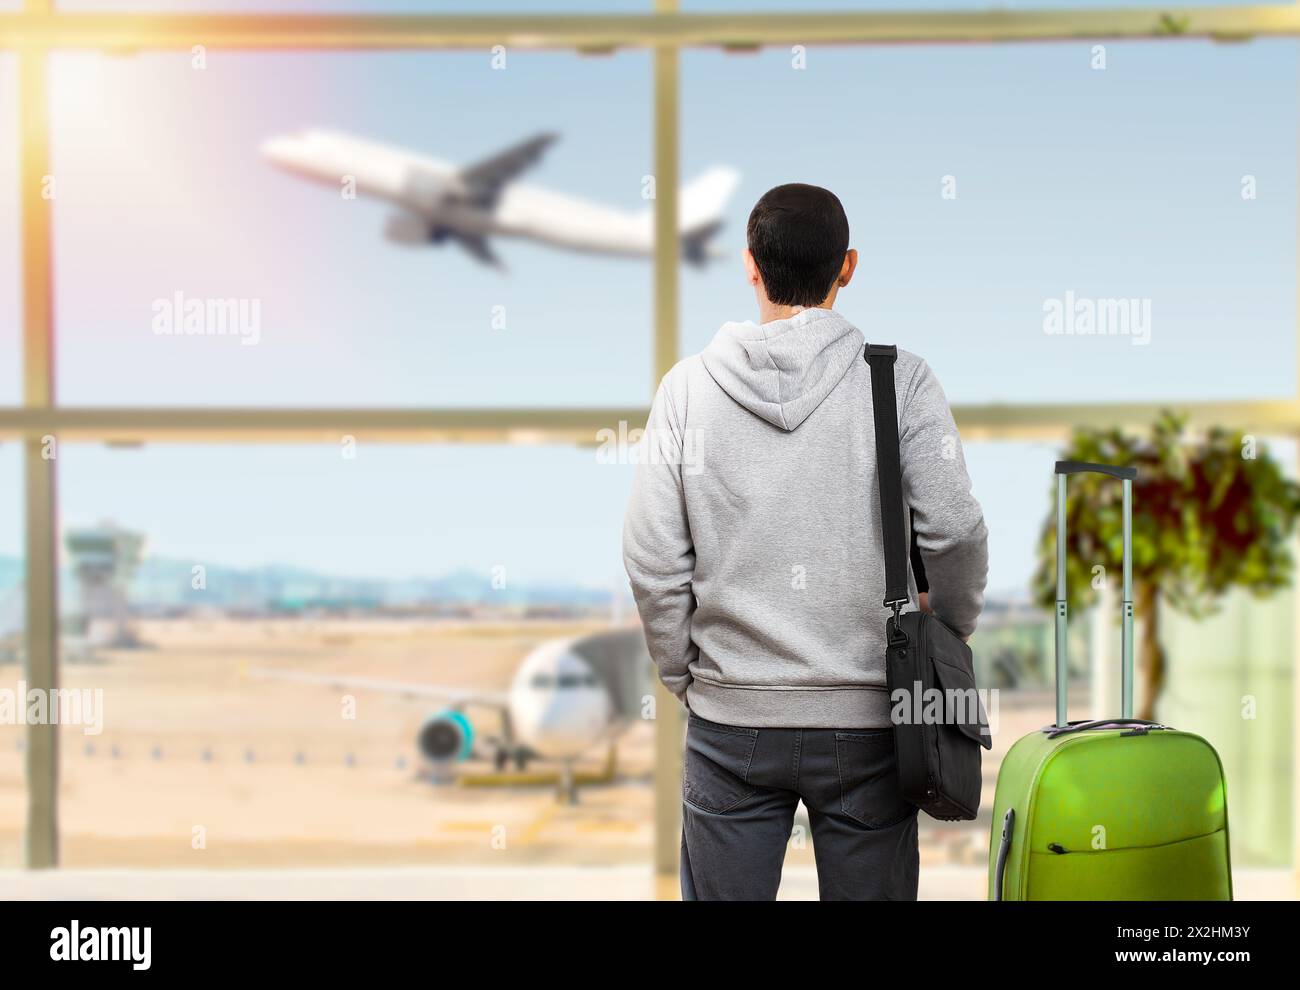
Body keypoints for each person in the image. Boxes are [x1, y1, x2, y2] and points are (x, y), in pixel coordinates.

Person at [622, 182, 988, 901]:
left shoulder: (686, 391)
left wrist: (685, 676)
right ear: (847, 267)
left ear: (750, 266)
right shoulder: (899, 380)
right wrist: (940, 638)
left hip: (731, 721)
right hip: (871, 721)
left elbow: (651, 558)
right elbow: (956, 532)